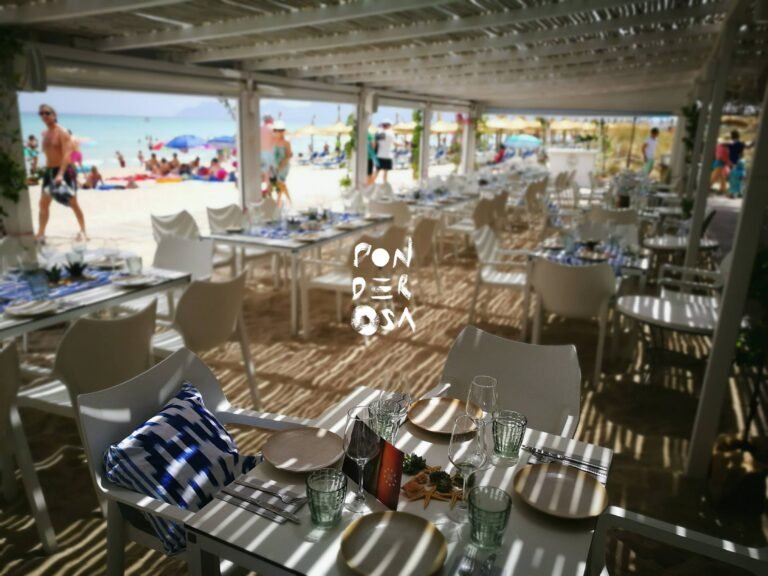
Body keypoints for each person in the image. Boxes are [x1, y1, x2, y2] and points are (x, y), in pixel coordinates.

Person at [36, 104, 87, 241]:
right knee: (43, 203)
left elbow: (67, 154)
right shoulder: (45, 134)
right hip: (49, 172)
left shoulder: (62, 132)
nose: (44, 116)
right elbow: (48, 153)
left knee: (73, 203)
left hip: (63, 171)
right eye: (41, 113)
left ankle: (83, 230)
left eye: (47, 113)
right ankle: (41, 234)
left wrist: (60, 173)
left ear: (54, 115)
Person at [272, 121, 293, 207]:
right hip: (275, 165)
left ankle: (278, 201)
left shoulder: (286, 143)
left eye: (281, 131)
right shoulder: (273, 142)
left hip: (284, 165)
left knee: (279, 182)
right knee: (278, 184)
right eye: (277, 130)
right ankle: (288, 200)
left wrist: (281, 166)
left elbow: (288, 156)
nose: (279, 132)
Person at [260, 114, 274, 192]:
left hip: (261, 152)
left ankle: (263, 189)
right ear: (269, 120)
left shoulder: (260, 128)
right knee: (270, 172)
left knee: (263, 172)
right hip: (270, 152)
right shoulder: (271, 128)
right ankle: (268, 189)